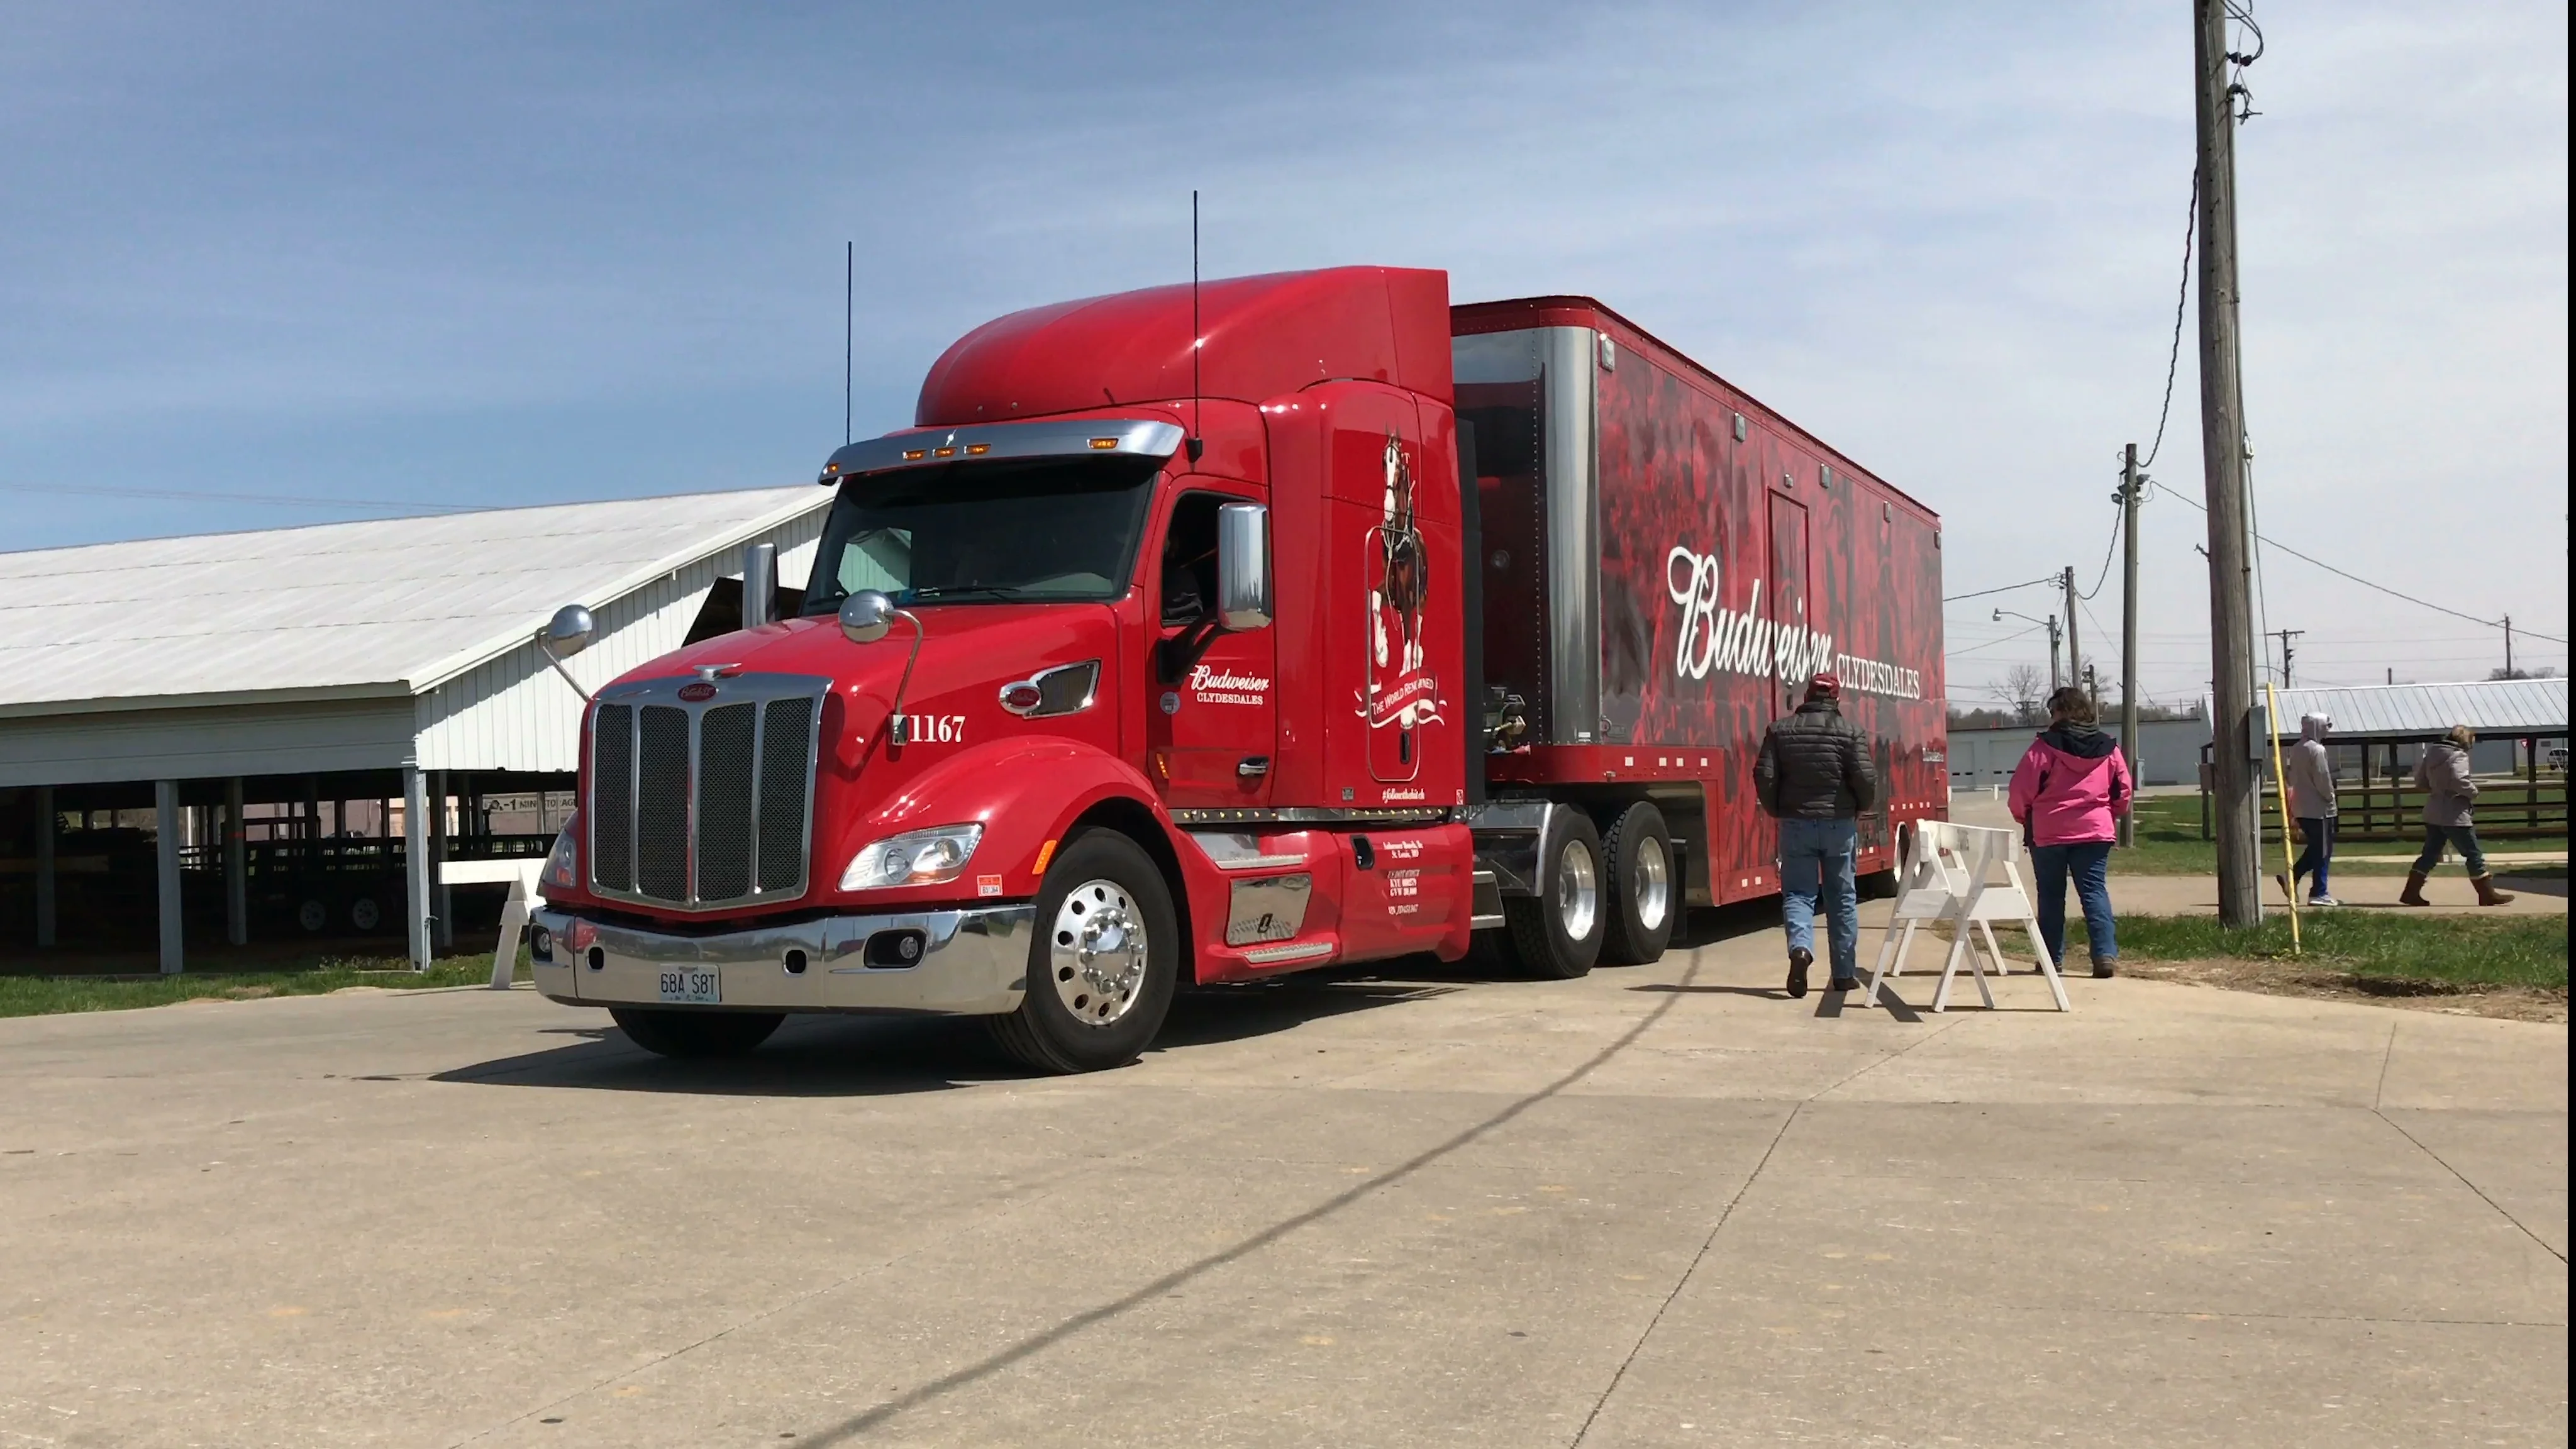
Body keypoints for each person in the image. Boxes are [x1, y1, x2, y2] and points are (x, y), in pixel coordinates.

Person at [1754, 672, 1879, 997]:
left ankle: (1801, 949)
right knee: (1842, 898)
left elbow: (1764, 775)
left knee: (1798, 894)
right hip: (1839, 824)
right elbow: (1866, 778)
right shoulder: (1850, 732)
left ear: (1807, 696)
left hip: (1796, 823)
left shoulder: (1779, 731)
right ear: (1836, 699)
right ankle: (1844, 974)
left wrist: (1777, 809)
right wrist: (1859, 807)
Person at [2007, 686, 2132, 979]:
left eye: (2053, 711)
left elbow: (2020, 791)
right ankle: (2104, 955)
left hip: (2049, 833)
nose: (2051, 717)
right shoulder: (2109, 748)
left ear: (2062, 712)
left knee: (2051, 896)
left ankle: (2051, 959)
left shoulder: (2043, 748)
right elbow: (2123, 791)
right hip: (2095, 831)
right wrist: (2109, 815)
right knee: (2094, 891)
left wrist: (2025, 818)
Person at [2401, 725, 2515, 907]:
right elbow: (2459, 780)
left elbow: (2420, 781)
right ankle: (2486, 895)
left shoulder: (2432, 754)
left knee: (2430, 855)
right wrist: (2473, 792)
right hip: (2454, 814)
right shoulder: (2458, 756)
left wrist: (2438, 789)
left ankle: (2411, 892)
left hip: (2433, 811)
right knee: (2473, 854)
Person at [2277, 712, 2341, 906]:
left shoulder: (2297, 748)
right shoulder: (2318, 750)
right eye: (2325, 727)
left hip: (2301, 807)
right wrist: (2331, 797)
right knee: (2323, 851)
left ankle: (2293, 877)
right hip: (2319, 809)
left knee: (2317, 848)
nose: (2327, 731)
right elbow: (2323, 779)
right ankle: (2319, 891)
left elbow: (2291, 776)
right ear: (2317, 726)